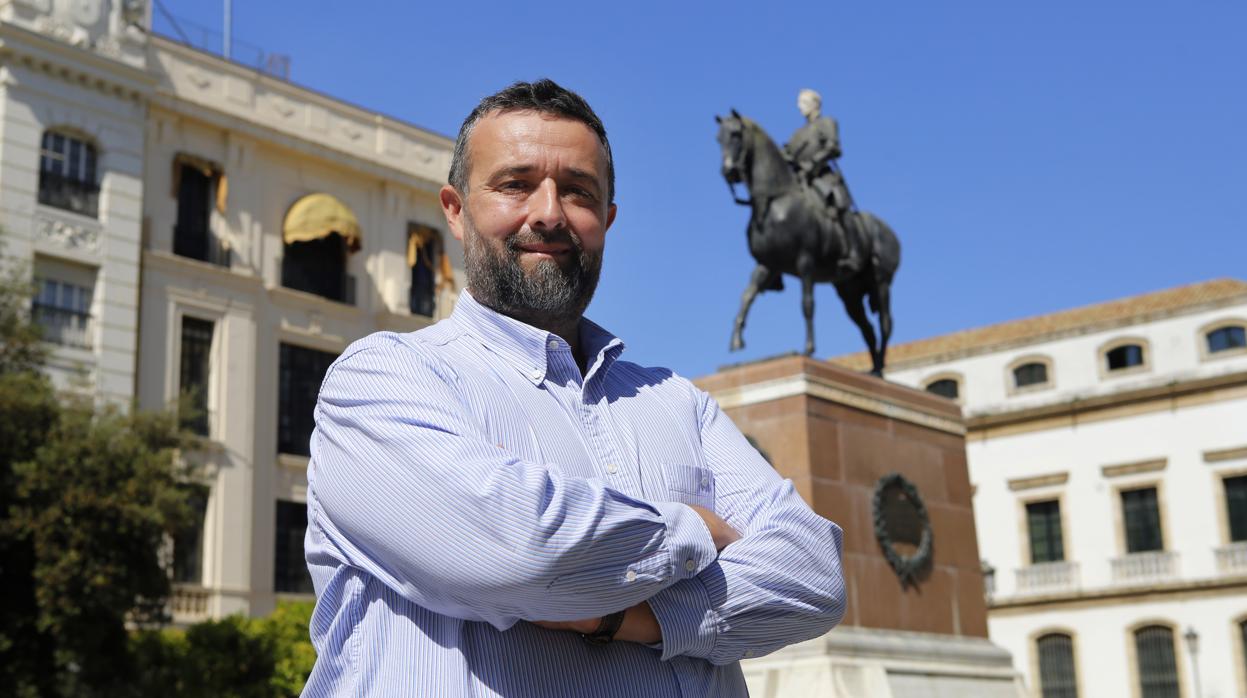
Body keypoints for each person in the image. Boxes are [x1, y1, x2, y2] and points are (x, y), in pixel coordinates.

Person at [302, 78, 846, 697]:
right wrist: (697, 530)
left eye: (579, 192)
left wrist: (633, 617)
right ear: (455, 210)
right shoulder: (382, 378)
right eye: (515, 184)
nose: (550, 213)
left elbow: (814, 571)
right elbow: (515, 547)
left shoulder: (677, 403)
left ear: (607, 220)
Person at [784, 88, 861, 274]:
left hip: (822, 175)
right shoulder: (797, 134)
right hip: (801, 179)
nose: (799, 106)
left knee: (840, 205)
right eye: (799, 103)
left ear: (815, 104)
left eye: (802, 102)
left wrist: (814, 162)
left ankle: (854, 253)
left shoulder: (827, 123)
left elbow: (834, 147)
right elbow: (787, 154)